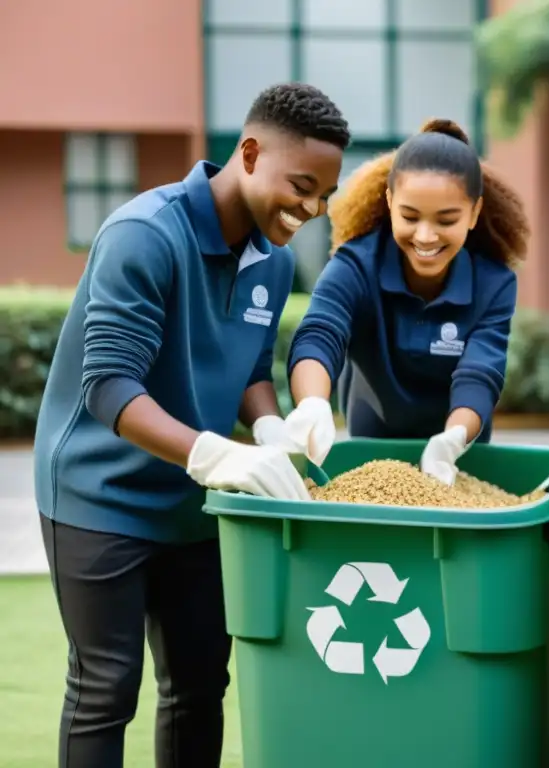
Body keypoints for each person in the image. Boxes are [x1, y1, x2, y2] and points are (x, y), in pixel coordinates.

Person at [33, 82, 350, 768]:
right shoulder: (144, 235)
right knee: (105, 690)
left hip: (195, 506)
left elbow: (247, 370)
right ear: (249, 152)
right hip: (99, 498)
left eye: (324, 195)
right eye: (301, 186)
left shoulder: (273, 259)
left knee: (200, 687)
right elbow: (108, 387)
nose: (311, 210)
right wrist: (216, 454)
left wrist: (271, 427)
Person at [284, 118, 530, 484]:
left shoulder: (494, 284)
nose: (426, 236)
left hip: (460, 459)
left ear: (475, 213)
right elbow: (321, 333)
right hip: (370, 460)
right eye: (410, 217)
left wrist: (451, 441)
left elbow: (480, 371)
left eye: (446, 220)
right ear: (389, 202)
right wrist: (313, 404)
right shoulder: (355, 265)